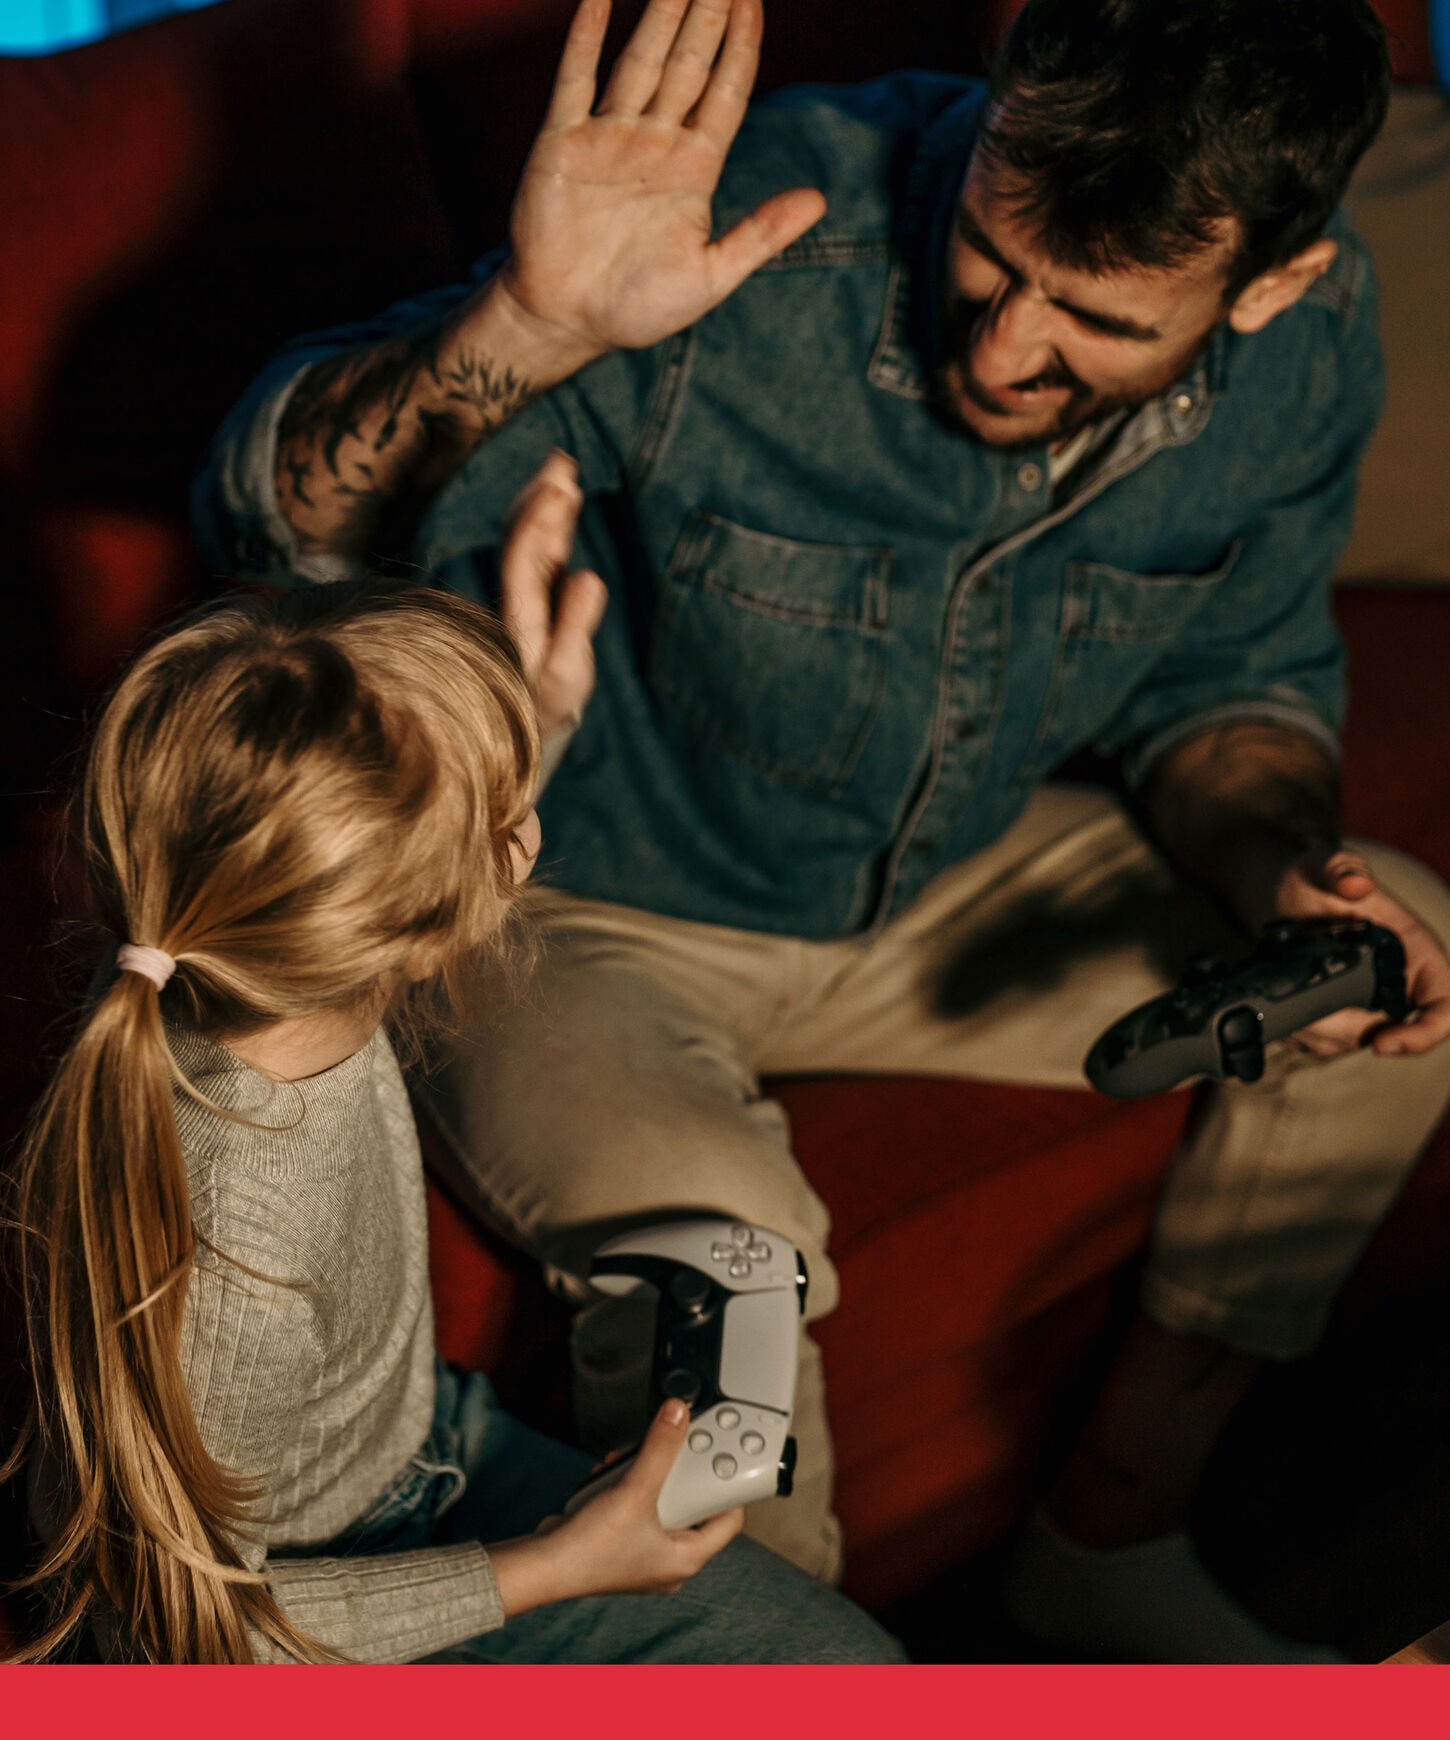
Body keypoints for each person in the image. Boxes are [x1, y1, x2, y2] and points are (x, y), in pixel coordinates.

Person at [197, 0, 1450, 1661]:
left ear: (1269, 284)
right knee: (729, 1272)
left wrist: (1272, 863)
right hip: (586, 900)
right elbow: (277, 532)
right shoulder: (765, 223)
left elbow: (1235, 678)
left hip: (942, 883)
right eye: (992, 265)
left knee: (1388, 967)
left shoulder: (1315, 336)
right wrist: (529, 320)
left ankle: (1107, 1541)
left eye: (1094, 322)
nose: (1001, 351)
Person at [3, 472, 903, 1664]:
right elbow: (186, 1634)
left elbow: (405, 855)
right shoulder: (235, 1245)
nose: (525, 826)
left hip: (420, 1446)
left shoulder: (248, 949)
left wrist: (534, 713)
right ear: (417, 927)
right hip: (299, 1602)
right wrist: (555, 1569)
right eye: (502, 816)